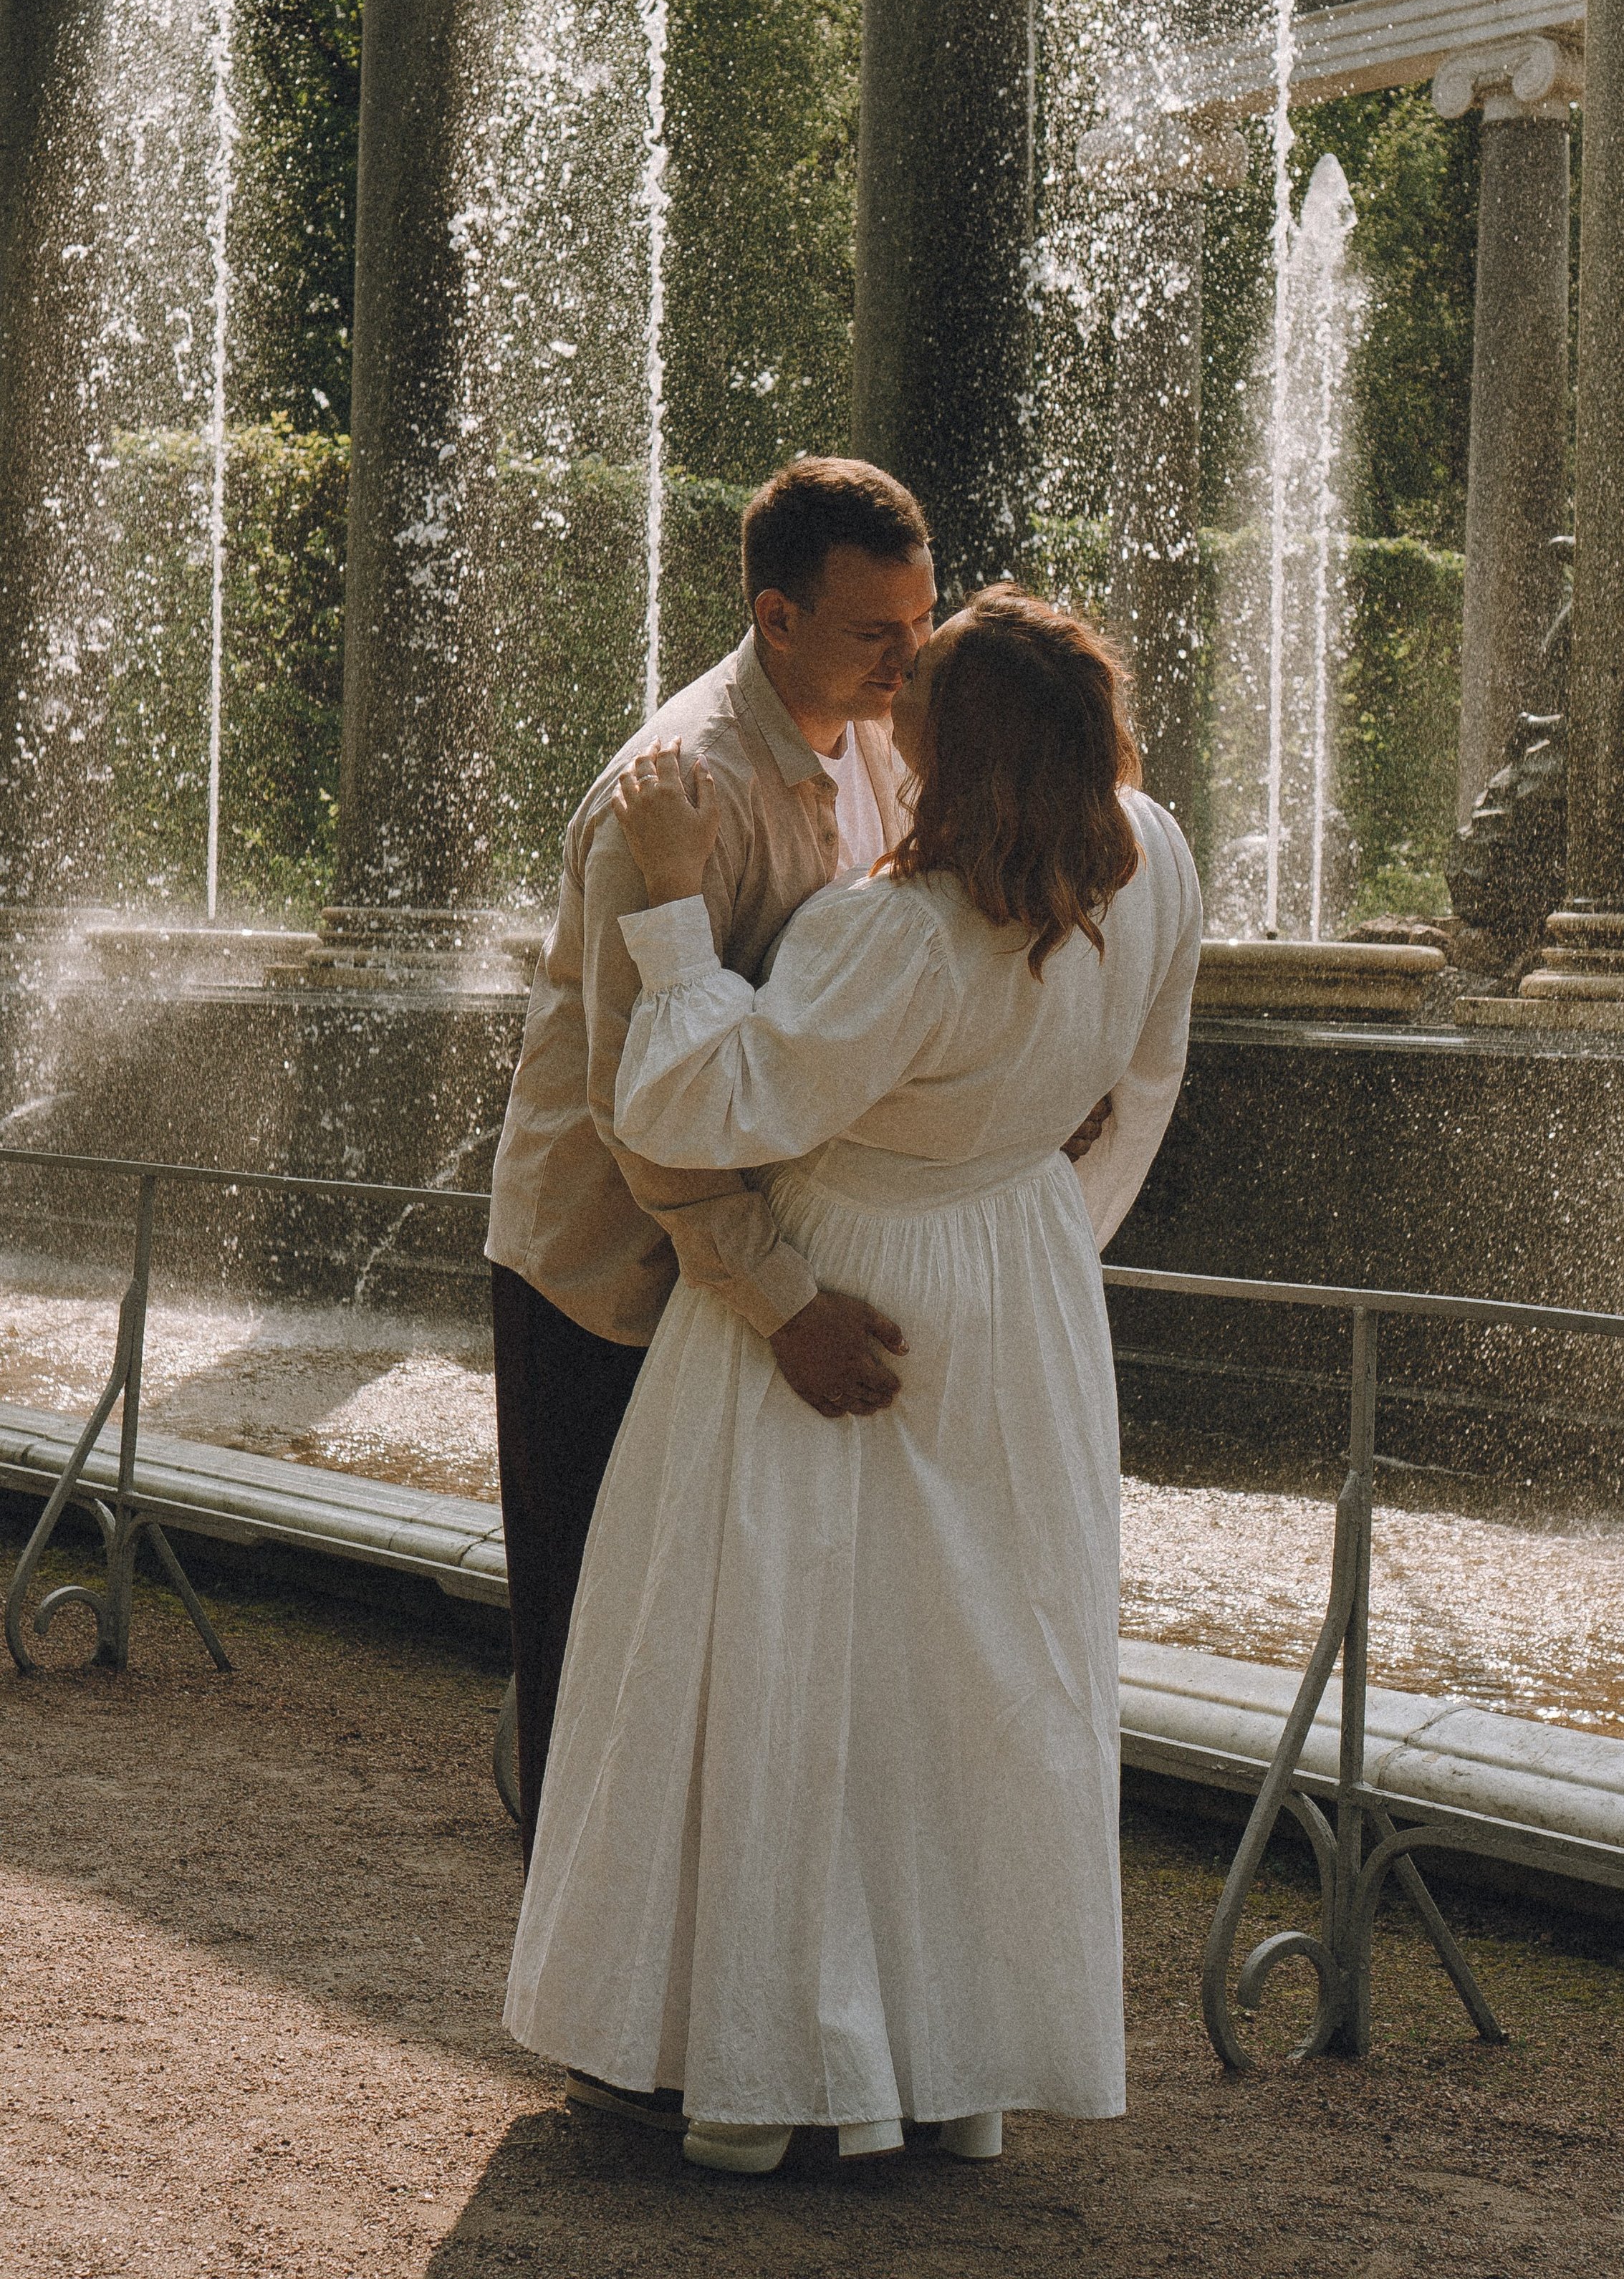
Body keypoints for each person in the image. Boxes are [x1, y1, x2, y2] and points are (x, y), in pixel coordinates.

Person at [504, 587, 1202, 2173]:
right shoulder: (1153, 858)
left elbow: (690, 1103)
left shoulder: (889, 933)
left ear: (959, 756)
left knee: (781, 1660)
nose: (890, 706)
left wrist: (674, 910)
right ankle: (960, 2076)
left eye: (921, 703)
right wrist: (1045, 1241)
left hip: (846, 1278)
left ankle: (757, 2083)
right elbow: (1146, 1079)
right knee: (969, 1686)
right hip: (1019, 1286)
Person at [485, 457, 936, 1926]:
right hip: (607, 1261)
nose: (909, 658)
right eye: (880, 632)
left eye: (921, 622)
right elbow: (641, 1117)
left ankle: (677, 1953)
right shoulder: (672, 786)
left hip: (728, 1256)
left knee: (706, 1632)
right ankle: (577, 1971)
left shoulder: (869, 733)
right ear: (775, 615)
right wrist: (786, 1301)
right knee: (591, 1624)